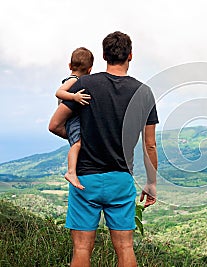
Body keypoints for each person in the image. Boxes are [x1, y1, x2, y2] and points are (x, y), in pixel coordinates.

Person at [49, 31, 158, 267]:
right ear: (130, 55)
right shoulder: (144, 93)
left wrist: (83, 139)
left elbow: (55, 125)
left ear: (104, 55)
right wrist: (151, 183)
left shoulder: (84, 84)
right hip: (121, 178)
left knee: (81, 248)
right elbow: (150, 144)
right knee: (126, 248)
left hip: (84, 179)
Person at [55, 47, 93, 190]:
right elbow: (59, 92)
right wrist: (74, 97)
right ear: (90, 69)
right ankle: (71, 172)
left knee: (78, 142)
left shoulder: (73, 79)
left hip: (72, 118)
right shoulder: (74, 81)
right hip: (71, 119)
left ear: (70, 66)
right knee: (77, 143)